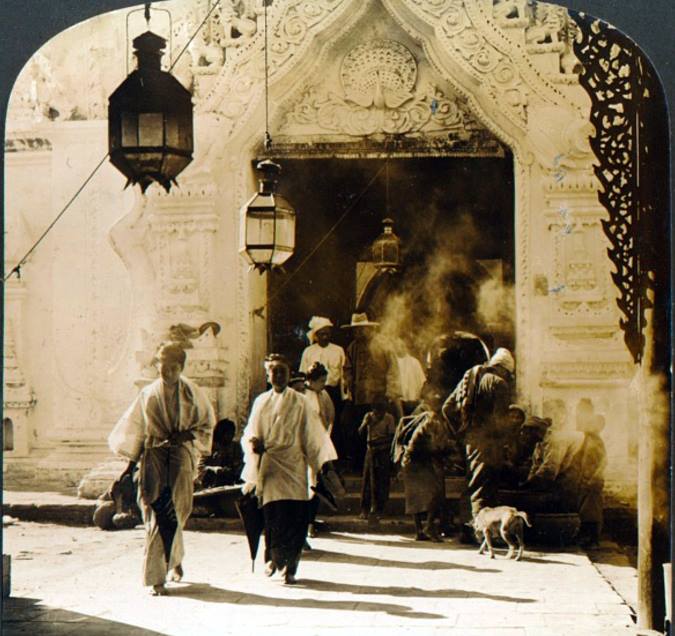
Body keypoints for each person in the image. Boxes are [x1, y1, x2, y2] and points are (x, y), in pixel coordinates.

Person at [108, 342, 215, 596]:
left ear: (182, 367)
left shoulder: (192, 392)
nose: (166, 373)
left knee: (176, 512)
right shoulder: (148, 393)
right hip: (153, 456)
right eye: (162, 367)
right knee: (155, 513)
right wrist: (128, 466)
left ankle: (173, 560)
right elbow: (137, 430)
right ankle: (157, 576)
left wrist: (185, 435)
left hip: (180, 457)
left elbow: (206, 425)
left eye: (173, 368)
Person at [240, 354, 337, 584]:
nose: (278, 375)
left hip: (293, 464)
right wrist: (254, 443)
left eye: (282, 371)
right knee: (273, 515)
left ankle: (290, 566)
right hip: (271, 465)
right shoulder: (261, 402)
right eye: (273, 371)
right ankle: (274, 557)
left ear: (289, 373)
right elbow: (250, 431)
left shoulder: (301, 402)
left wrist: (320, 463)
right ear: (268, 374)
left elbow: (313, 435)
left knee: (295, 516)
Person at [442, 348, 515, 519]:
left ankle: (467, 527)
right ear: (504, 369)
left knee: (472, 483)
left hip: (471, 441)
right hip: (489, 444)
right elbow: (499, 421)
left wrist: (461, 433)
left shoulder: (470, 379)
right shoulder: (499, 384)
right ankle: (478, 531)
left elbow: (447, 408)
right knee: (483, 487)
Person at [342, 313, 402, 470]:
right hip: (360, 397)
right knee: (361, 431)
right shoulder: (352, 347)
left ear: (368, 329)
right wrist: (350, 386)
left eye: (361, 329)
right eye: (355, 330)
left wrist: (390, 391)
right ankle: (362, 465)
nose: (358, 333)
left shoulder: (383, 345)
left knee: (382, 432)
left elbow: (393, 369)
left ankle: (384, 465)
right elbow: (347, 369)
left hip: (380, 397)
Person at [393, 385, 453, 541]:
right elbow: (435, 446)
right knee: (433, 494)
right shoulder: (432, 421)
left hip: (415, 460)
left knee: (417, 496)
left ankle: (421, 530)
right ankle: (427, 529)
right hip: (415, 460)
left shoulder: (429, 418)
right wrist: (447, 453)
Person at [305, 362, 336, 537]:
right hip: (303, 447)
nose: (324, 384)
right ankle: (304, 524)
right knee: (305, 486)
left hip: (318, 446)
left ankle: (310, 523)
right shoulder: (300, 393)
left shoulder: (323, 395)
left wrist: (325, 438)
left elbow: (330, 417)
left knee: (315, 486)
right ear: (312, 380)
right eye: (321, 380)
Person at [358, 397, 396, 521]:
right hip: (370, 451)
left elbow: (391, 437)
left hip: (383, 451)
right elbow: (360, 433)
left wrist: (379, 444)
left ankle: (380, 509)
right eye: (376, 412)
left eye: (380, 412)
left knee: (382, 481)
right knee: (368, 481)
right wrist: (366, 424)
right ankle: (365, 509)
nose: (378, 415)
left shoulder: (389, 418)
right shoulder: (368, 416)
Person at [299, 316, 346, 410]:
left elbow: (343, 375)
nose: (325, 337)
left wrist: (345, 398)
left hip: (333, 393)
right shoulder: (308, 351)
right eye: (322, 334)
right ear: (316, 335)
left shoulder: (338, 350)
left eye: (327, 334)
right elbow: (303, 374)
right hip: (313, 393)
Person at [576, 413, 607, 547]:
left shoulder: (597, 441)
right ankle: (587, 537)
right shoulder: (586, 439)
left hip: (594, 480)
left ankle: (593, 539)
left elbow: (604, 462)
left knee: (592, 511)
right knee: (584, 510)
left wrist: (595, 477)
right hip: (584, 479)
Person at [195, 419, 244, 489]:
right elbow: (200, 467)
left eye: (232, 433)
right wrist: (215, 469)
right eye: (228, 434)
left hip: (231, 483)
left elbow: (240, 464)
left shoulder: (235, 447)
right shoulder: (210, 447)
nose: (231, 436)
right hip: (211, 483)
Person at [394, 338, 427, 415]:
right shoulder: (394, 363)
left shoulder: (414, 362)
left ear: (405, 347)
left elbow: (422, 382)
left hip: (414, 401)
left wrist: (419, 398)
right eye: (396, 346)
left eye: (401, 346)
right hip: (400, 403)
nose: (399, 348)